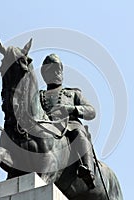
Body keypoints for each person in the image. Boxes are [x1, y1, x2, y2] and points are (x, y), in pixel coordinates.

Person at [39, 54, 96, 189]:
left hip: (69, 126)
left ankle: (88, 170)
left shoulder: (72, 93)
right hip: (47, 128)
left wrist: (71, 109)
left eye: (58, 69)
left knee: (79, 134)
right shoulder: (39, 96)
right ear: (45, 74)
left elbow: (91, 111)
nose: (56, 73)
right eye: (52, 70)